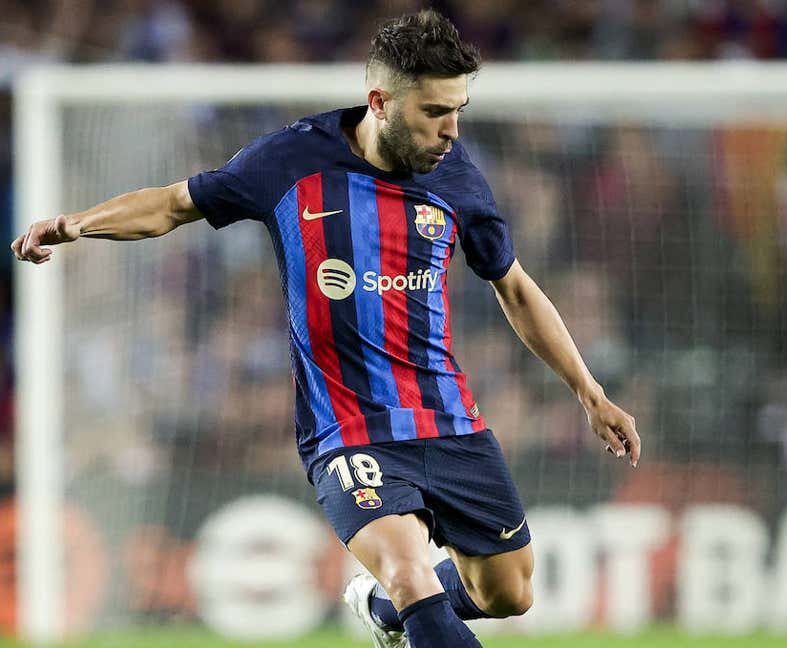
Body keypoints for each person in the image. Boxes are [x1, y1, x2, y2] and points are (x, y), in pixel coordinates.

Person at [11, 10, 641, 648]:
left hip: (448, 420)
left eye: (460, 109)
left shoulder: (457, 177)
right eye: (434, 112)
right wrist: (75, 224)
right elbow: (174, 205)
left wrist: (590, 393)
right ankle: (398, 601)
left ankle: (379, 612)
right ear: (380, 102)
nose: (452, 130)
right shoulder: (292, 158)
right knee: (410, 573)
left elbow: (514, 287)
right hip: (348, 431)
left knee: (508, 593)